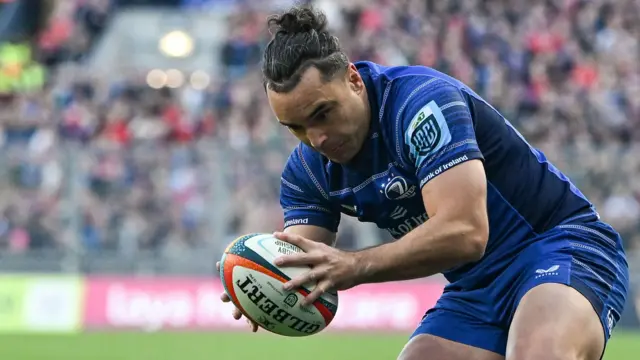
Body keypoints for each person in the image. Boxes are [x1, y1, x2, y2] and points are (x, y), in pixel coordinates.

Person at [216, 6, 629, 360]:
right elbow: (305, 267)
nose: (316, 138)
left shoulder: (421, 103)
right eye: (296, 128)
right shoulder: (307, 171)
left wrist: (355, 265)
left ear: (354, 80)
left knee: (538, 353)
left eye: (323, 113)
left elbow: (466, 233)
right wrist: (259, 280)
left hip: (560, 245)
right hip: (476, 286)